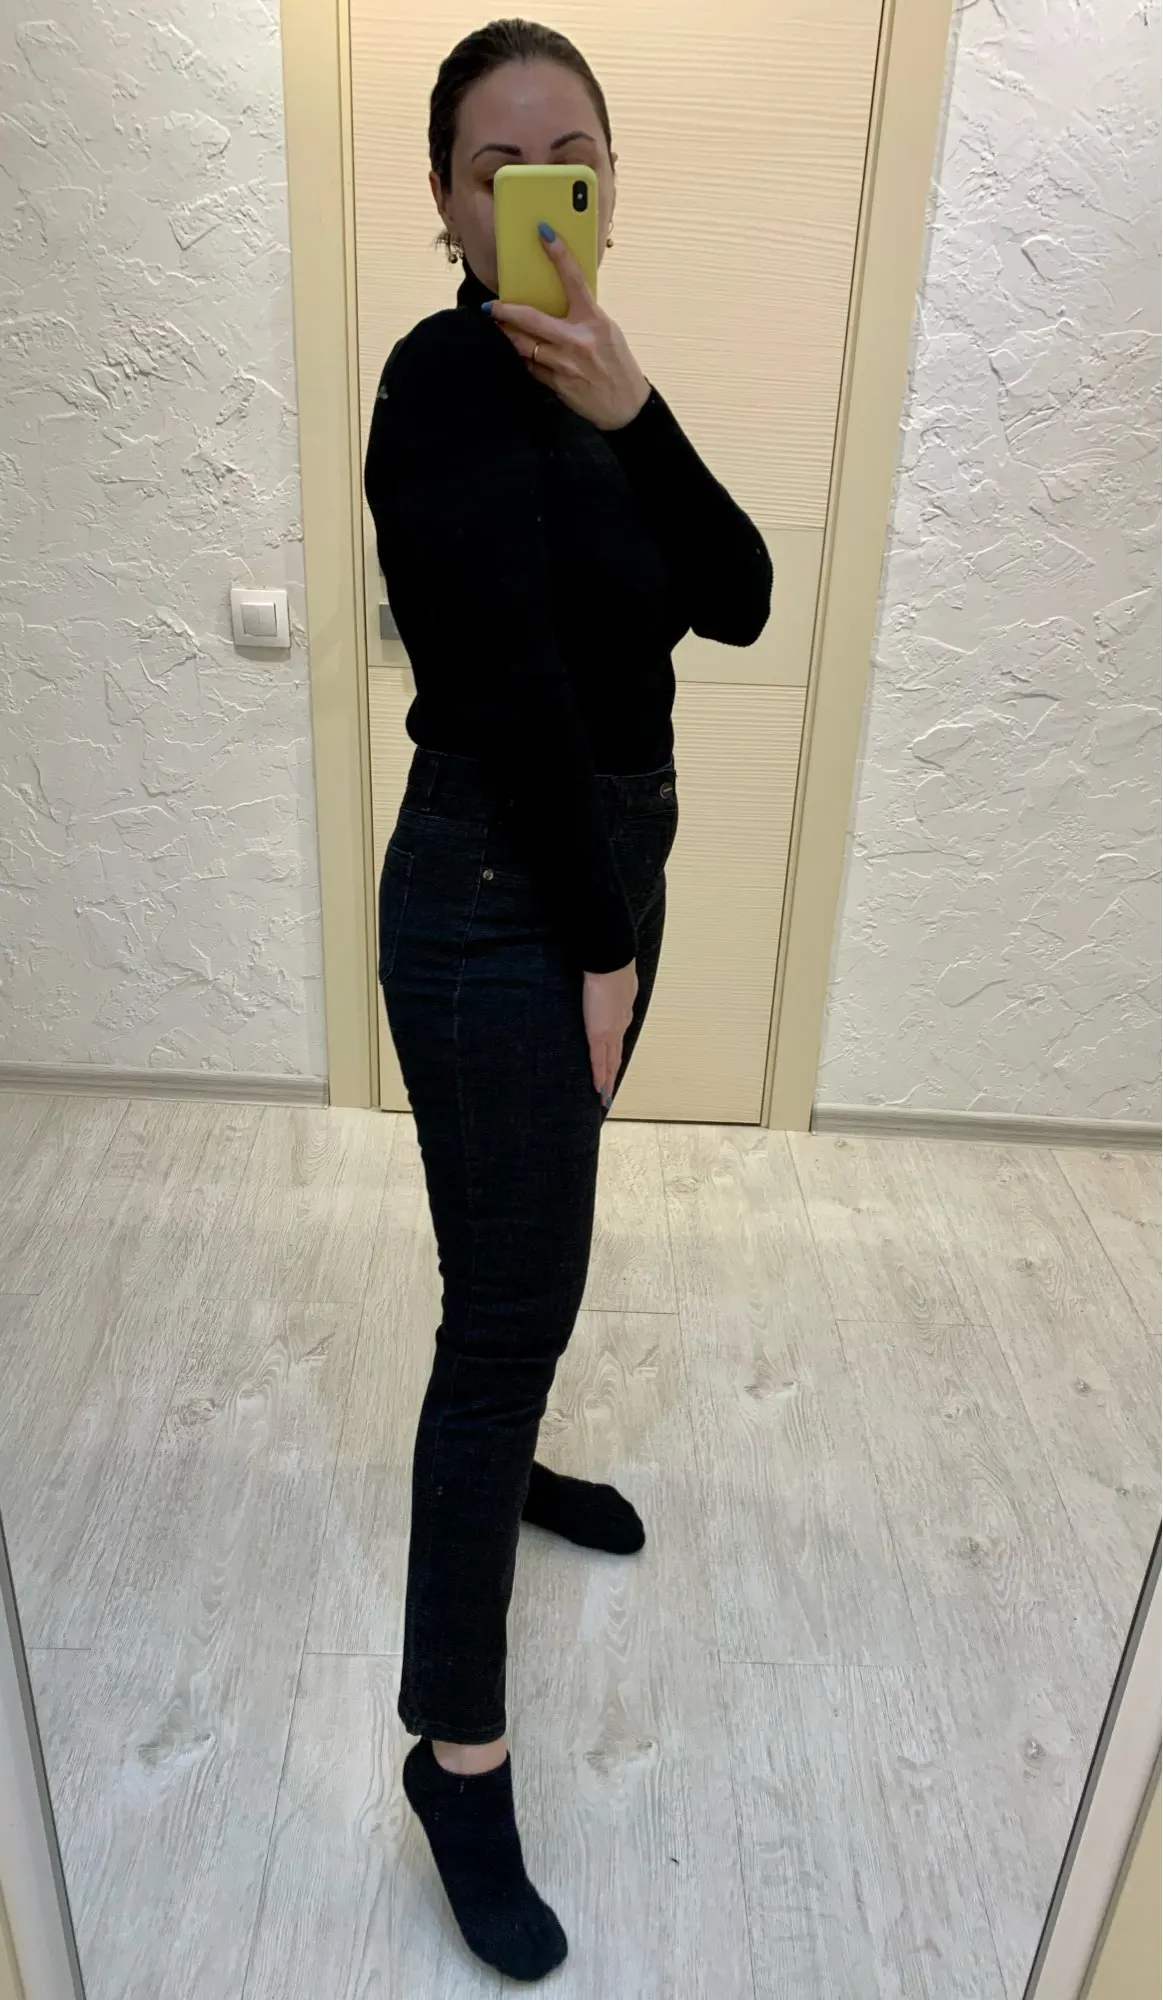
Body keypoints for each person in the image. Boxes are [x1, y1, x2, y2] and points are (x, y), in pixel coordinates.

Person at [364, 17, 772, 1982]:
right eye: (499, 165)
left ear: (604, 185)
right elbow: (514, 691)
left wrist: (639, 406)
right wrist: (600, 943)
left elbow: (737, 593)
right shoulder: (435, 386)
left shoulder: (603, 379)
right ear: (447, 203)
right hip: (496, 888)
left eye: (573, 160)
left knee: (525, 1248)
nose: (542, 191)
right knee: (504, 1305)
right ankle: (455, 1755)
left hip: (613, 867)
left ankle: (511, 1452)